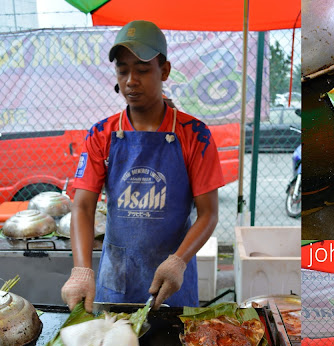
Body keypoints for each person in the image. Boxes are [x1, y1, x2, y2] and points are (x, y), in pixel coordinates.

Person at [61, 20, 224, 311]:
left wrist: (179, 261)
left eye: (142, 69)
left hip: (173, 279)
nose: (130, 81)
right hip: (117, 281)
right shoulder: (101, 135)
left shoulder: (194, 134)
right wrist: (82, 270)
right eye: (123, 70)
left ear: (165, 71)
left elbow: (208, 213)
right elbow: (83, 207)